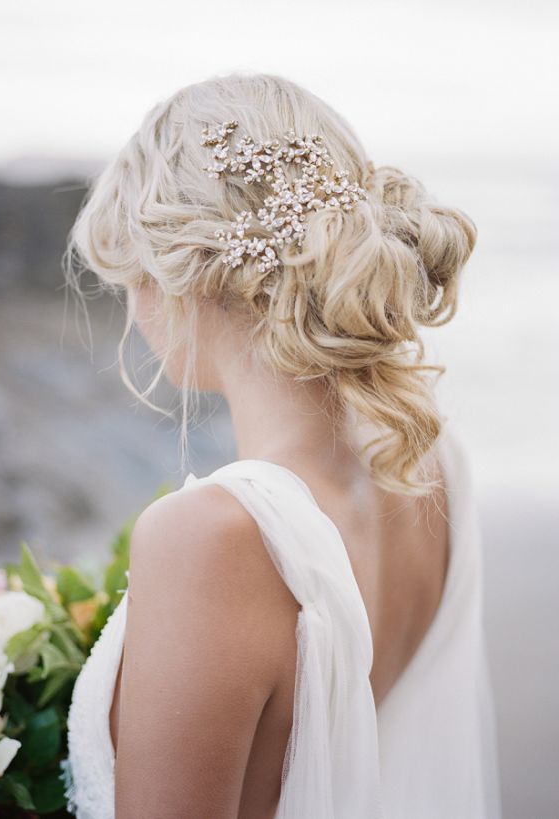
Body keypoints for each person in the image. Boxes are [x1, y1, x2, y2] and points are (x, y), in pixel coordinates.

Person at [62, 72, 502, 818]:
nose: (134, 312)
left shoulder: (209, 537)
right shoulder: (430, 459)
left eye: (130, 278)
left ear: (182, 277)